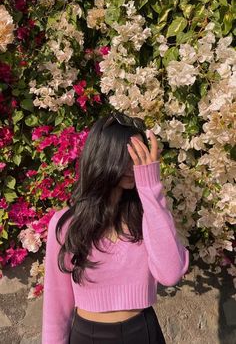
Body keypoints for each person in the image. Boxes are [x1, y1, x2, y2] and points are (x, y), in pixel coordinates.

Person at [42, 111, 189, 344]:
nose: (134, 167)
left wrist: (151, 187)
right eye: (128, 157)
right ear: (105, 157)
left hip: (142, 332)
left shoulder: (148, 217)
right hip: (86, 336)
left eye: (139, 158)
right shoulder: (67, 224)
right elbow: (56, 305)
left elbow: (171, 274)